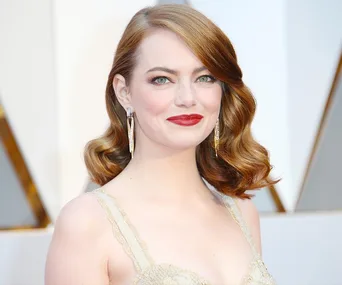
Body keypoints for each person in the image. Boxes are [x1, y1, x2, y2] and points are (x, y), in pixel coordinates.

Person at [45, 4, 278, 285]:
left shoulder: (242, 213)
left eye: (205, 77)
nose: (187, 98)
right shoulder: (87, 222)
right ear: (124, 92)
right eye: (162, 79)